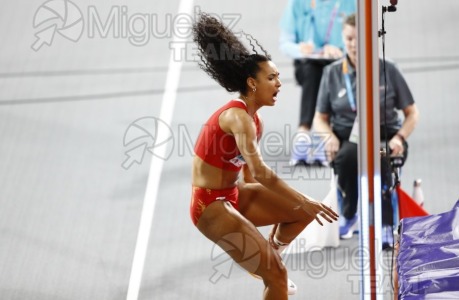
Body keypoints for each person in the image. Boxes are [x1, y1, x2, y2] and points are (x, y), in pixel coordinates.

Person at [190, 13, 339, 299]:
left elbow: (246, 175)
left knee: (302, 213)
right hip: (209, 206)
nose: (279, 84)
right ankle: (271, 270)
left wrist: (300, 206)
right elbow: (260, 172)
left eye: (278, 77)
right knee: (278, 277)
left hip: (232, 195)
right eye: (271, 78)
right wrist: (304, 199)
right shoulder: (237, 117)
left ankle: (269, 254)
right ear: (252, 83)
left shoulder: (255, 121)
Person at [313, 13, 419, 247]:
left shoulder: (388, 69)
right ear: (343, 38)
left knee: (381, 158)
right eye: (349, 39)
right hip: (348, 136)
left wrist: (400, 137)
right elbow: (320, 119)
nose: (353, 44)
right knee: (349, 156)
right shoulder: (331, 73)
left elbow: (412, 113)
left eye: (358, 39)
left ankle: (385, 223)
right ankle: (350, 213)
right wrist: (328, 136)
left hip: (385, 134)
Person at [279, 0, 356, 166]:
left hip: (339, 63)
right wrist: (300, 49)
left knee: (330, 72)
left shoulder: (351, 4)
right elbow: (285, 43)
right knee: (313, 71)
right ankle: (304, 133)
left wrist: (342, 50)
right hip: (308, 65)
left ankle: (321, 134)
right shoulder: (297, 3)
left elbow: (359, 38)